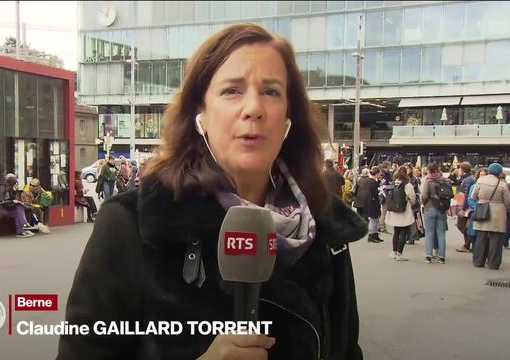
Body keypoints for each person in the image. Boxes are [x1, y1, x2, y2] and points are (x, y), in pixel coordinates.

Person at [58, 24, 366, 360]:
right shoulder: (134, 225)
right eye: (232, 91)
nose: (253, 108)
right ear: (200, 115)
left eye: (271, 92)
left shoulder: (325, 230)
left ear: (288, 119)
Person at [470, 163, 510, 270]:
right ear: (499, 172)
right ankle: (493, 263)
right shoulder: (502, 184)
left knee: (481, 236)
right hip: (498, 212)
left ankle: (478, 261)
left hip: (482, 208)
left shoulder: (480, 181)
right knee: (496, 239)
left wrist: (483, 200)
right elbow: (508, 201)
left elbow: (473, 196)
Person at [420, 162, 450, 264]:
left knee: (429, 233)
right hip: (442, 209)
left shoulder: (428, 181)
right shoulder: (446, 181)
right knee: (441, 233)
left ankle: (429, 256)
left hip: (430, 207)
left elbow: (424, 196)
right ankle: (442, 257)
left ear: (428, 170)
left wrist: (424, 203)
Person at [386, 167, 417, 261]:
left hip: (394, 211)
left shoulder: (393, 184)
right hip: (404, 211)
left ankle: (394, 252)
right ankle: (400, 253)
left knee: (396, 232)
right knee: (403, 232)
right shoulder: (408, 185)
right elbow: (413, 198)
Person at [0, 173, 34, 238]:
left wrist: (15, 193)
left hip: (4, 208)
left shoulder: (10, 190)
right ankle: (22, 228)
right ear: (8, 184)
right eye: (11, 186)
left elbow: (11, 203)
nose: (11, 187)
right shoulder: (1, 188)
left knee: (19, 206)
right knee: (17, 211)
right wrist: (12, 201)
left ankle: (23, 228)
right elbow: (1, 202)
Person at [456, 163, 476, 252]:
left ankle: (468, 242)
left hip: (465, 206)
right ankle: (467, 243)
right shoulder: (467, 178)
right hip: (463, 204)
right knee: (464, 224)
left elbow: (466, 194)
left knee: (461, 224)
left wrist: (463, 208)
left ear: (462, 169)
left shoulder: (468, 180)